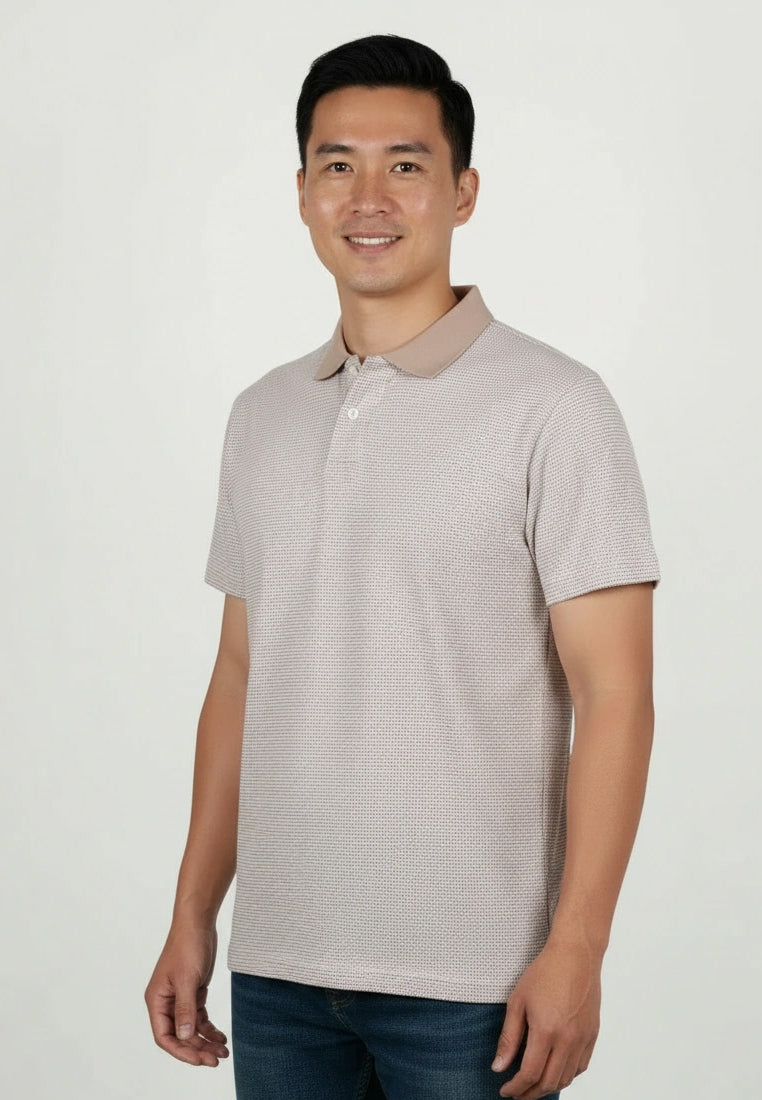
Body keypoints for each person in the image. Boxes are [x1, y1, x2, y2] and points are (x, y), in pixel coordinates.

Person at [144, 33, 661, 1100]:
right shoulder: (262, 415)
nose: (368, 197)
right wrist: (194, 913)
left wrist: (579, 947)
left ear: (462, 192)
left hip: (476, 980)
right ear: (301, 192)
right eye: (338, 164)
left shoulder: (556, 407)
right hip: (279, 971)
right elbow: (239, 676)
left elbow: (615, 693)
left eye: (406, 164)